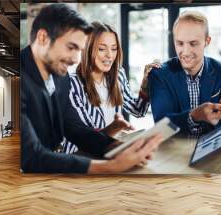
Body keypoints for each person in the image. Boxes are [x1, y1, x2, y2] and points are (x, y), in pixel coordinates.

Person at [20, 4, 163, 174]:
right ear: (43, 37)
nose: (75, 59)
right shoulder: (21, 80)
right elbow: (33, 155)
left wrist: (115, 146)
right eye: (71, 47)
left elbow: (75, 128)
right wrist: (111, 167)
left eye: (78, 50)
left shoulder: (61, 77)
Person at [63, 21, 161, 154]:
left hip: (111, 149)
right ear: (87, 49)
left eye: (114, 48)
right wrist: (114, 128)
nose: (110, 55)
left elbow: (138, 110)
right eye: (102, 49)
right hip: (81, 156)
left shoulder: (118, 75)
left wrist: (145, 85)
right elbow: (87, 139)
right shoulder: (72, 84)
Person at [148, 11, 221, 135]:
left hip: (213, 150)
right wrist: (194, 116)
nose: (186, 52)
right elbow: (162, 125)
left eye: (193, 43)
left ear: (207, 41)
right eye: (180, 43)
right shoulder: (159, 74)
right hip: (174, 152)